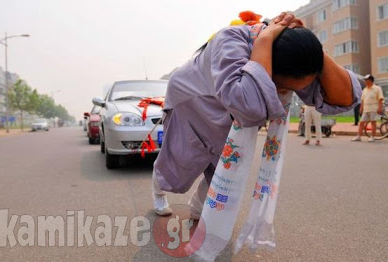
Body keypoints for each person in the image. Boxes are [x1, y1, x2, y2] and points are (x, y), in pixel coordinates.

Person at [152, 11, 361, 217]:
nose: (284, 94)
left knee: (224, 167)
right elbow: (248, 107)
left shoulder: (286, 57)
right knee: (177, 161)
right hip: (191, 105)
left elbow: (344, 97)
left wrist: (310, 46)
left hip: (229, 114)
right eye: (281, 88)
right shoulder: (230, 40)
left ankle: (199, 206)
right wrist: (265, 40)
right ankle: (158, 192)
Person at [352, 74, 384, 142]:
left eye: (367, 80)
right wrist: (361, 108)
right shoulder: (364, 90)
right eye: (365, 80)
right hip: (366, 109)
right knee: (361, 122)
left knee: (373, 123)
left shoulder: (377, 88)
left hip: (374, 108)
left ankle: (372, 137)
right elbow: (362, 100)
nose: (365, 81)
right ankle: (359, 136)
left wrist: (380, 108)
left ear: (371, 80)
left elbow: (380, 99)